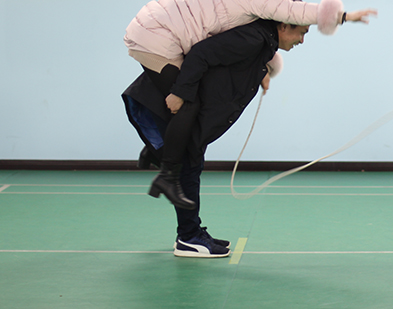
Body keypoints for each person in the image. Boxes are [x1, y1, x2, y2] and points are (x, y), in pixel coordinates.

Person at [124, 0, 376, 170]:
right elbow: (292, 11)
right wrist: (344, 16)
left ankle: (157, 152)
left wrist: (265, 67)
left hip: (157, 26)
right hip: (157, 36)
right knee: (187, 101)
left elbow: (243, 40)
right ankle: (167, 172)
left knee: (187, 96)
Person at [122, 18, 310, 257]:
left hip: (188, 109)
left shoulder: (260, 43)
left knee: (190, 164)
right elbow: (201, 54)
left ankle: (190, 230)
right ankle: (188, 237)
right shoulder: (253, 38)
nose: (302, 40)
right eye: (301, 33)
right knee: (188, 166)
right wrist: (180, 94)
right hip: (172, 102)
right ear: (283, 26)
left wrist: (262, 68)